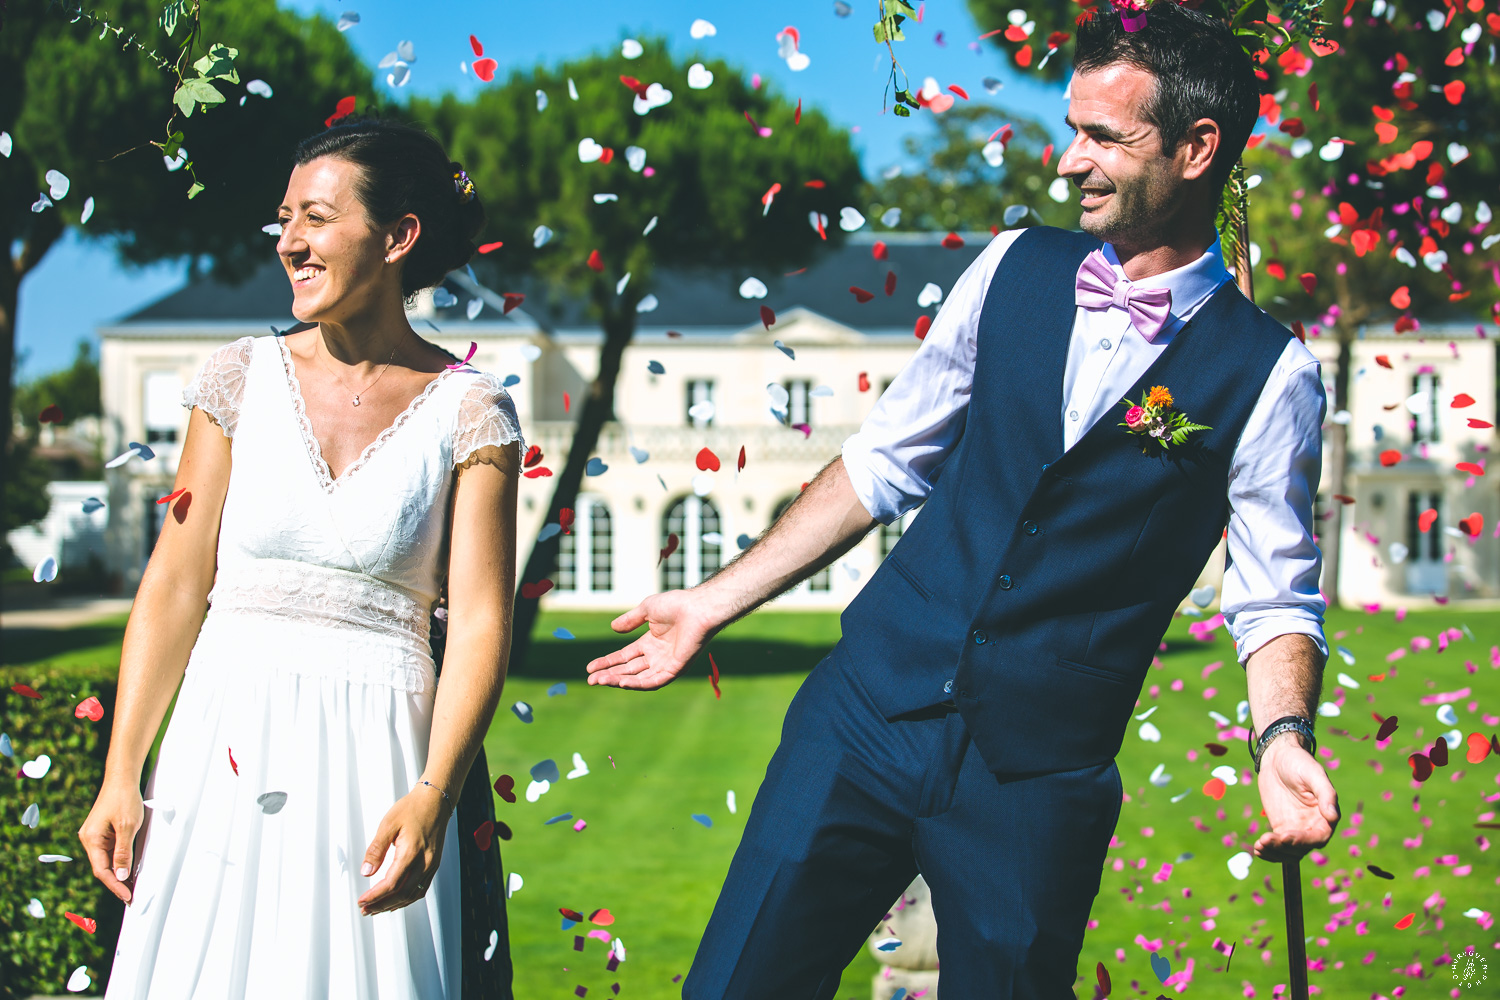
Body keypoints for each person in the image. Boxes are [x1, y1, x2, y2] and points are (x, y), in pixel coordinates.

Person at [584, 5, 1341, 996]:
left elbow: (1274, 596)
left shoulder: (1270, 374)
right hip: (864, 716)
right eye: (1072, 130)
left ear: (1198, 148)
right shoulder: (1008, 268)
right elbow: (881, 464)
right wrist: (710, 602)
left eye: (1105, 137)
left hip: (1036, 777)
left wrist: (1282, 739)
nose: (1070, 162)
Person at [80, 117, 523, 999]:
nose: (290, 242)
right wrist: (122, 770)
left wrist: (435, 793)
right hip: (221, 742)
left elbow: (479, 622)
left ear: (397, 236)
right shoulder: (237, 378)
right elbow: (175, 583)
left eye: (316, 218)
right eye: (285, 219)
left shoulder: (472, 412)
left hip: (379, 759)